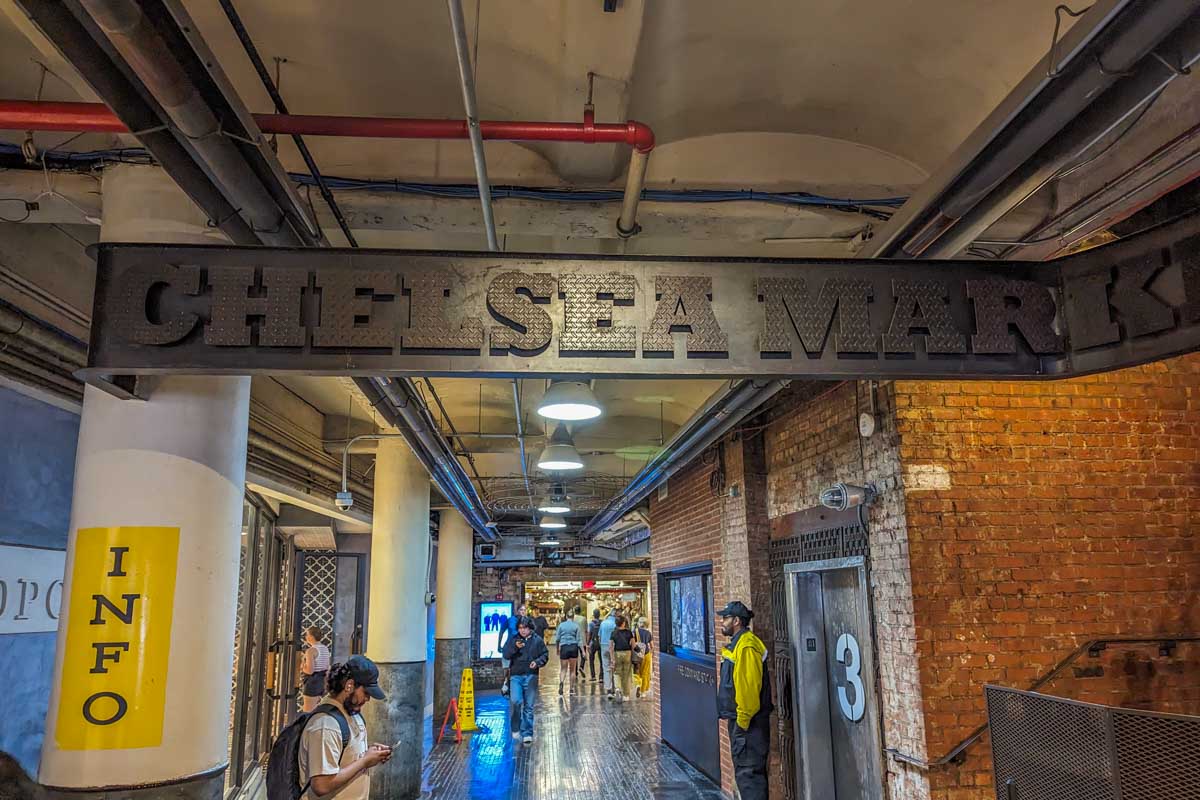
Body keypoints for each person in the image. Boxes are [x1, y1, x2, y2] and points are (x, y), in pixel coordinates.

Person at [298, 654, 393, 799]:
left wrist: (371, 755)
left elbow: (347, 758)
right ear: (349, 685)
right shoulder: (325, 726)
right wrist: (365, 761)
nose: (367, 699)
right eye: (366, 693)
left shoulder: (351, 713)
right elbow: (322, 784)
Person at [716, 601, 773, 800]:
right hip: (746, 724)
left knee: (749, 777)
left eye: (725, 618)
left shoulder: (747, 646)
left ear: (737, 621)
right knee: (746, 776)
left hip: (749, 725)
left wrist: (741, 723)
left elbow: (748, 690)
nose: (722, 622)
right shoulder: (739, 644)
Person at [502, 617, 549, 745]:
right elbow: (506, 654)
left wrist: (537, 662)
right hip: (516, 675)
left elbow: (545, 655)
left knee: (528, 706)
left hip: (531, 675)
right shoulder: (513, 639)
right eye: (520, 628)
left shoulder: (537, 640)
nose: (523, 630)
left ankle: (527, 733)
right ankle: (516, 726)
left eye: (525, 628)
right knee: (516, 701)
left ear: (530, 628)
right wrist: (514, 648)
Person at [299, 626, 332, 712]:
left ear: (311, 636)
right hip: (322, 680)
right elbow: (327, 666)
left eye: (307, 635)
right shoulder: (325, 648)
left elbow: (310, 670)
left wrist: (302, 667)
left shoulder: (311, 651)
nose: (305, 637)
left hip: (312, 681)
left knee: (308, 711)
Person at [555, 607, 582, 696]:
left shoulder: (561, 625)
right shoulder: (576, 626)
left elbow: (557, 639)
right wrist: (583, 651)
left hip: (564, 647)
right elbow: (579, 640)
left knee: (563, 669)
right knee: (572, 670)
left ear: (566, 616)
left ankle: (561, 682)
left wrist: (557, 649)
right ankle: (571, 689)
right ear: (573, 617)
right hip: (574, 647)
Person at [609, 615, 635, 701]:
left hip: (617, 653)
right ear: (624, 623)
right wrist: (632, 655)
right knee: (626, 674)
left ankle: (617, 688)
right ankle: (626, 695)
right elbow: (633, 645)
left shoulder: (613, 633)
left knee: (617, 672)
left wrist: (612, 658)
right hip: (627, 653)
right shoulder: (629, 632)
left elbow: (611, 646)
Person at [598, 608, 617, 699]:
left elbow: (599, 636)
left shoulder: (603, 623)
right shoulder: (615, 624)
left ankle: (608, 689)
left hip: (603, 645)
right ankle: (615, 687)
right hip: (613, 646)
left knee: (606, 667)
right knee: (614, 667)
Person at [634, 617, 653, 698]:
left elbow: (632, 643)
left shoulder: (635, 631)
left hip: (637, 654)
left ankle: (638, 684)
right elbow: (652, 645)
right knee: (645, 672)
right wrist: (652, 653)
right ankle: (643, 692)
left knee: (636, 671)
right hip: (646, 654)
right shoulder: (648, 633)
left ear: (639, 623)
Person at [586, 609, 604, 683]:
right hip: (600, 643)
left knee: (591, 659)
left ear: (594, 615)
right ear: (599, 615)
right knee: (601, 660)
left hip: (593, 643)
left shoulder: (591, 624)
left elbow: (589, 634)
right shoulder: (602, 623)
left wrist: (587, 643)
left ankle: (593, 676)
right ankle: (601, 677)